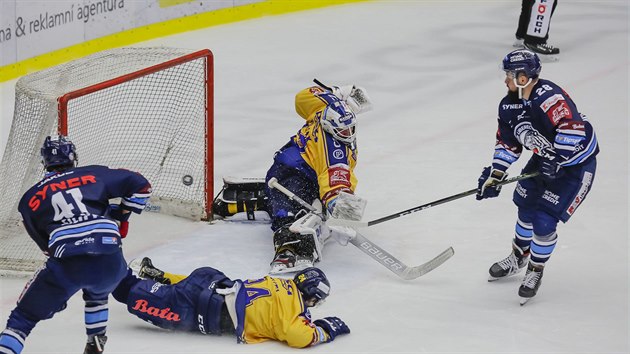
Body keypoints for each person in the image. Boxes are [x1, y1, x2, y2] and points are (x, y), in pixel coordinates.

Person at [0, 135, 152, 354]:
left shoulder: (29, 199)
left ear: (44, 162)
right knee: (98, 293)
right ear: (74, 158)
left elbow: (45, 246)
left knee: (23, 318)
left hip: (68, 263)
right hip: (111, 259)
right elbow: (142, 186)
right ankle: (95, 343)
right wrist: (122, 216)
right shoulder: (94, 173)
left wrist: (56, 290)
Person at [475, 49, 598, 304]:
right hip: (545, 160)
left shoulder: (549, 97)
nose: (505, 80)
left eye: (509, 74)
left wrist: (558, 160)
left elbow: (572, 128)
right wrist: (496, 174)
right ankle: (519, 256)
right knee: (525, 207)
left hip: (575, 167)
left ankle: (535, 270)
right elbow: (508, 143)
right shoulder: (508, 104)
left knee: (543, 221)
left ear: (523, 77)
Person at [111, 257, 350, 348]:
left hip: (210, 280)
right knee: (124, 291)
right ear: (312, 297)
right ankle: (99, 257)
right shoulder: (294, 310)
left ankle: (163, 277)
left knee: (188, 288)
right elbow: (300, 336)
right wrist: (326, 330)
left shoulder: (279, 282)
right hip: (201, 309)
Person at [265, 83, 373, 274]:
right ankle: (289, 249)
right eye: (343, 131)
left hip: (299, 161)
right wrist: (343, 214)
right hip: (291, 174)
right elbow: (335, 182)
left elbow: (302, 97)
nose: (348, 134)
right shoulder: (334, 152)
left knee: (319, 207)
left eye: (350, 128)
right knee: (288, 214)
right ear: (327, 125)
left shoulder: (323, 107)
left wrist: (335, 93)